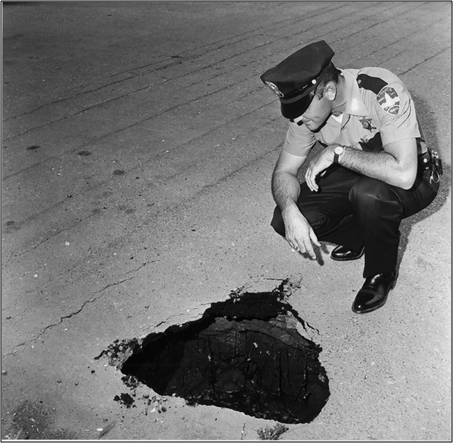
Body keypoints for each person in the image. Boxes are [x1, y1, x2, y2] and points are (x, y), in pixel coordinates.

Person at [260, 40, 441, 314]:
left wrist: (338, 152)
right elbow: (284, 171)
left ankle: (381, 274)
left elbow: (404, 174)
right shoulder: (307, 116)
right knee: (286, 218)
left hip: (417, 175)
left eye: (301, 110)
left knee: (370, 195)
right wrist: (288, 209)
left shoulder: (380, 90)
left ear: (329, 90)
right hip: (361, 171)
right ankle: (361, 236)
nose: (297, 120)